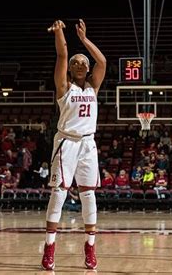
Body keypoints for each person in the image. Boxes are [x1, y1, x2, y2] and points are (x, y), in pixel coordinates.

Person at [41, 19, 106, 271]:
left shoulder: (93, 87)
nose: (80, 64)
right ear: (69, 69)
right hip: (66, 143)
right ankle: (49, 247)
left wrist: (85, 41)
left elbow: (102, 62)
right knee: (58, 193)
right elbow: (61, 53)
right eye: (75, 63)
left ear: (87, 69)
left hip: (88, 144)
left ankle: (90, 247)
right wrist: (60, 34)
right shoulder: (64, 87)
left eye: (83, 63)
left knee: (88, 195)